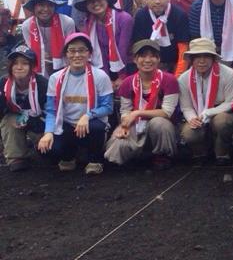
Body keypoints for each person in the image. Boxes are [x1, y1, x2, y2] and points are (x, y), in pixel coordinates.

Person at [37, 33, 114, 175]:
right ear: (66, 54)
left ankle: (94, 159)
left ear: (89, 53)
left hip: (91, 125)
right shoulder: (55, 78)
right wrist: (48, 133)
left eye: (82, 50)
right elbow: (52, 110)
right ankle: (69, 157)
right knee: (47, 150)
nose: (77, 55)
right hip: (66, 125)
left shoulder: (100, 76)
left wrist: (88, 115)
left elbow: (108, 107)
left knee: (96, 127)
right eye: (72, 50)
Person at [104, 40, 180, 169]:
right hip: (135, 123)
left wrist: (137, 113)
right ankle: (134, 157)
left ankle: (162, 155)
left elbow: (167, 112)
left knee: (160, 123)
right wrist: (124, 125)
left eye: (152, 56)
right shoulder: (127, 83)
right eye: (143, 56)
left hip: (160, 124)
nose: (147, 60)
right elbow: (125, 111)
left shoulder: (169, 80)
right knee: (118, 145)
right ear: (135, 59)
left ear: (158, 59)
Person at [178, 37, 233, 164]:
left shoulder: (228, 74)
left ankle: (222, 153)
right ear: (191, 59)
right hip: (197, 113)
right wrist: (192, 119)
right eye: (197, 57)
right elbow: (186, 107)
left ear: (213, 58)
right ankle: (200, 153)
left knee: (222, 122)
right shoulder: (183, 78)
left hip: (223, 111)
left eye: (206, 56)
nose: (202, 61)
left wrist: (208, 112)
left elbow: (230, 102)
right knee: (189, 133)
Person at [73, 0, 134, 85]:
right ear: (86, 6)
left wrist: (121, 77)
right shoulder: (88, 23)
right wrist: (106, 79)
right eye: (91, 1)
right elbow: (96, 53)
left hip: (126, 68)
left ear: (107, 0)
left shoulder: (124, 19)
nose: (96, 3)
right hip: (101, 70)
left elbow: (123, 50)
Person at [0, 45, 49, 172]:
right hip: (15, 119)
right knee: (8, 120)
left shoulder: (43, 84)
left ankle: (37, 143)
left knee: (50, 155)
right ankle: (16, 156)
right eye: (15, 63)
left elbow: (51, 112)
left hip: (39, 120)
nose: (19, 67)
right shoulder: (3, 83)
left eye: (25, 63)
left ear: (32, 67)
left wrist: (31, 121)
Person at [130, 0, 191, 75]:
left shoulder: (179, 15)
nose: (157, 1)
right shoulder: (141, 16)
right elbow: (139, 48)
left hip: (174, 63)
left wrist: (178, 75)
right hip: (149, 63)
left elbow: (183, 48)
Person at [19, 0, 76, 78]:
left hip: (64, 63)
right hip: (39, 64)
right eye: (41, 5)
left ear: (55, 7)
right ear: (34, 7)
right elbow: (31, 50)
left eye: (50, 5)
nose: (45, 9)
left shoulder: (67, 22)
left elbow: (72, 47)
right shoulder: (26, 26)